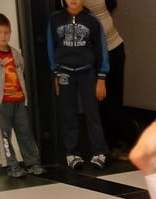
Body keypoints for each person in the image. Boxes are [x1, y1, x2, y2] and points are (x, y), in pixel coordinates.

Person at [0, 13, 46, 178]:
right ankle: (12, 166)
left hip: (19, 100)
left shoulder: (15, 54)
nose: (3, 36)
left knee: (25, 132)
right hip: (0, 103)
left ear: (11, 32)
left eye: (6, 32)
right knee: (4, 136)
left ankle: (33, 163)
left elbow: (21, 70)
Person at [47, 0, 110, 170]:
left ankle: (99, 152)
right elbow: (51, 47)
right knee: (68, 112)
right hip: (64, 72)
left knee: (92, 113)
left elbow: (101, 49)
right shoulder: (55, 19)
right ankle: (72, 153)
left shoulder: (92, 20)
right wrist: (55, 73)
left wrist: (101, 77)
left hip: (87, 71)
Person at [83, 0, 134, 159]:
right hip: (95, 54)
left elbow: (110, 8)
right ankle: (113, 144)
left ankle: (129, 137)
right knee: (103, 101)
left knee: (114, 99)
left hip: (115, 47)